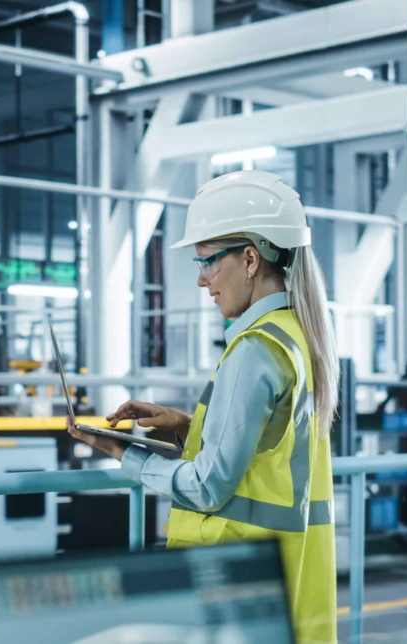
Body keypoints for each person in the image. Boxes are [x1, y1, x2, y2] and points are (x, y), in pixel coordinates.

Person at [69, 170, 338, 644]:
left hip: (237, 578)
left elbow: (209, 488)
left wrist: (123, 455)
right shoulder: (296, 336)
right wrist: (185, 425)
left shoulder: (255, 349)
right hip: (288, 569)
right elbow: (269, 445)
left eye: (208, 262)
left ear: (250, 259)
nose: (201, 280)